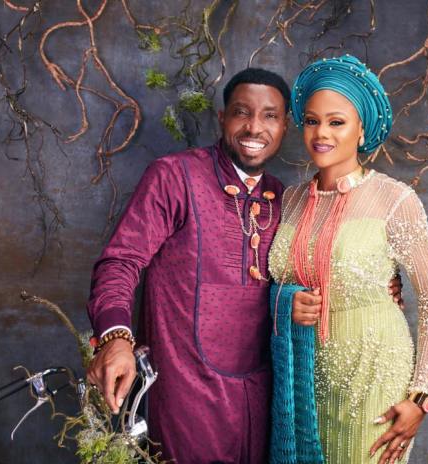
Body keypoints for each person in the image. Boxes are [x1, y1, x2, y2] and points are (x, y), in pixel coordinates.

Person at [85, 67, 404, 463]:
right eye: (241, 113)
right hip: (186, 393)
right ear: (222, 118)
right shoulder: (175, 177)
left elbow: (323, 266)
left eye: (270, 116)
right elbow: (121, 261)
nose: (254, 127)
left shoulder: (284, 199)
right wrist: (116, 338)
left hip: (264, 396)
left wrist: (382, 284)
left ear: (284, 126)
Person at [268, 55, 428, 463]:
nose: (321, 133)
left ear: (362, 129)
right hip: (302, 376)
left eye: (336, 122)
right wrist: (284, 300)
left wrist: (421, 397)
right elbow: (269, 282)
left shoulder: (394, 199)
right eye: (312, 121)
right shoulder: (290, 200)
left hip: (374, 375)